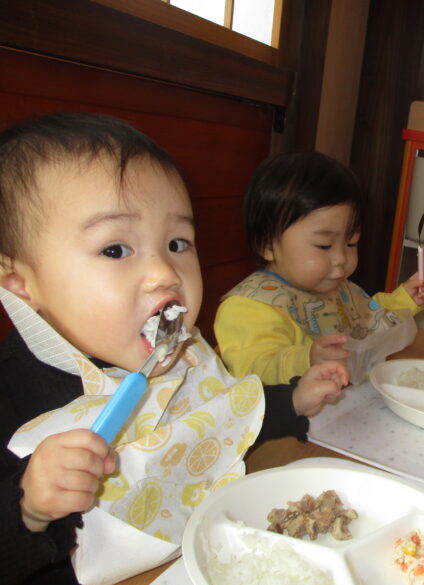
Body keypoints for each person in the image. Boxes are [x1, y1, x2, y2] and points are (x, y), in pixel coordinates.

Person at [0, 112, 348, 585]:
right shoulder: (13, 392)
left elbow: (222, 416)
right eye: (115, 250)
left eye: (177, 242)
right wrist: (30, 508)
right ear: (21, 284)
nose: (166, 273)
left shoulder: (181, 355)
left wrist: (293, 399)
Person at [214, 151, 424, 385]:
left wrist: (403, 299)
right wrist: (307, 359)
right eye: (324, 245)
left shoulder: (336, 289)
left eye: (351, 243)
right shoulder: (248, 307)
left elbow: (366, 318)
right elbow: (255, 367)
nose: (341, 258)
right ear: (267, 244)